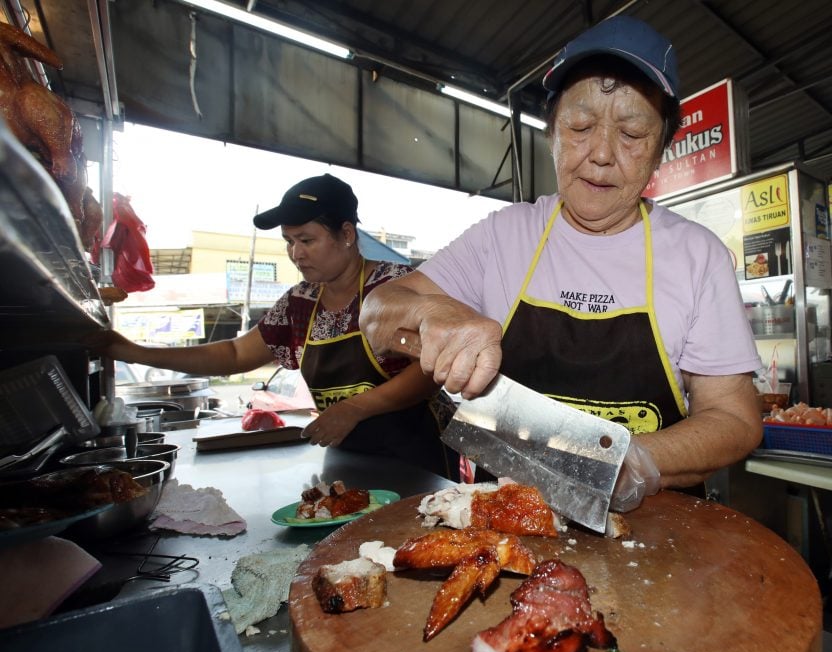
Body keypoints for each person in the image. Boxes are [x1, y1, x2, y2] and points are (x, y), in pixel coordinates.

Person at [359, 16, 764, 511]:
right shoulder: (504, 236)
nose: (600, 154)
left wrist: (634, 461)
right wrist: (430, 315)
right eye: (580, 126)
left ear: (660, 153)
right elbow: (378, 309)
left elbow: (736, 419)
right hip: (506, 524)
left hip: (654, 532)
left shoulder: (698, 256)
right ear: (550, 132)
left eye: (633, 134)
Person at [91, 173, 455, 478]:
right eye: (289, 242)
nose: (296, 253)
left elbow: (428, 369)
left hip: (418, 457)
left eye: (307, 240)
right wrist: (136, 353)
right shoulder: (300, 302)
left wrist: (354, 408)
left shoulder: (395, 286)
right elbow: (234, 353)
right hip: (348, 459)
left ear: (346, 234)